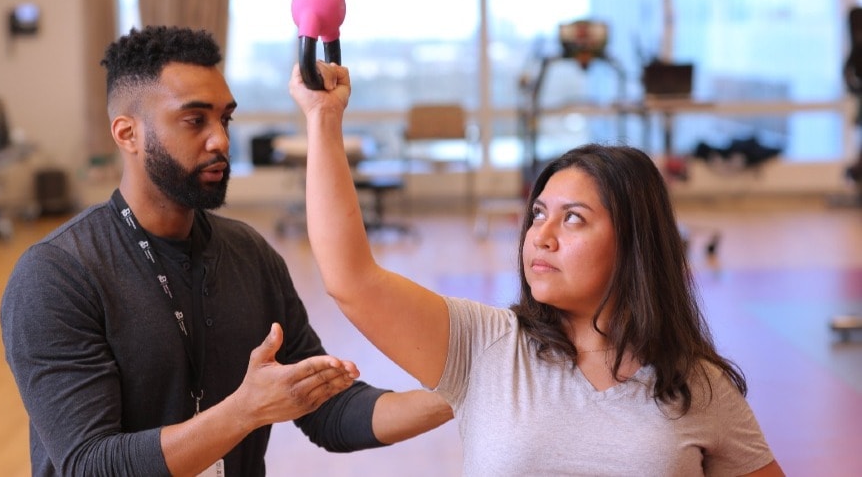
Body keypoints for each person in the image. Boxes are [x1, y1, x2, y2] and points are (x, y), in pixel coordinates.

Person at [290, 61, 785, 476]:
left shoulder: (697, 384)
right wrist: (323, 118)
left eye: (573, 219)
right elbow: (351, 278)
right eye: (538, 215)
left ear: (635, 242)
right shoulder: (484, 346)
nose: (540, 236)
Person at [0, 26, 452, 477]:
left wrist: (467, 390)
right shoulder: (57, 274)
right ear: (127, 134)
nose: (220, 140)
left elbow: (329, 414)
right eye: (195, 120)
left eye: (225, 119)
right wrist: (244, 411)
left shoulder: (249, 254)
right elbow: (89, 466)